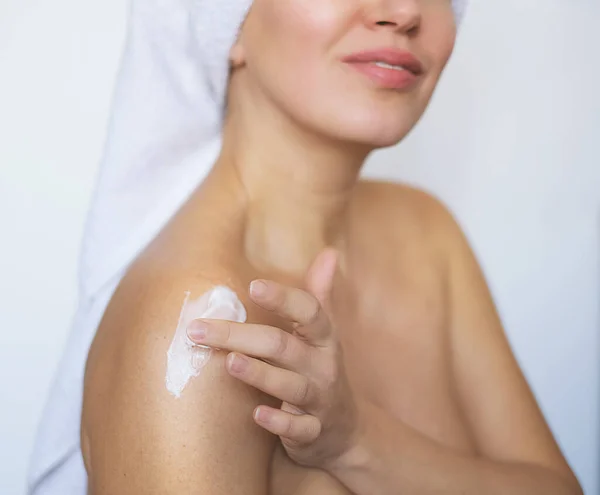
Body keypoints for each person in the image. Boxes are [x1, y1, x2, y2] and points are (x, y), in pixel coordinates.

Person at [29, 1, 583, 494]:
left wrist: (357, 442)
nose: (406, 11)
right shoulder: (198, 330)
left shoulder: (428, 236)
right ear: (229, 24)